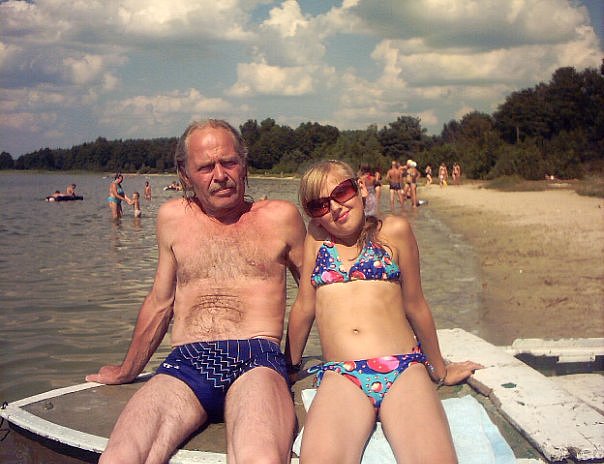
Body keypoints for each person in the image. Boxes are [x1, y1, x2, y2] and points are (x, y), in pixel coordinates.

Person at [87, 119, 306, 464]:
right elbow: (160, 303)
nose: (220, 175)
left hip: (257, 360)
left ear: (244, 164)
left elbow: (318, 292)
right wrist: (128, 369)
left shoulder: (281, 217)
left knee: (259, 457)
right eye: (206, 167)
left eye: (229, 162)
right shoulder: (172, 218)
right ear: (185, 174)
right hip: (186, 362)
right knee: (121, 456)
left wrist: (292, 363)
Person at [286, 159, 482, 463]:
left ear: (361, 188)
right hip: (342, 373)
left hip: (403, 368)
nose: (334, 207)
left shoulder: (394, 231)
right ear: (313, 215)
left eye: (341, 192)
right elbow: (304, 306)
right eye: (319, 205)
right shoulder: (317, 238)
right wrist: (289, 367)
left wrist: (440, 370)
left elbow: (415, 305)